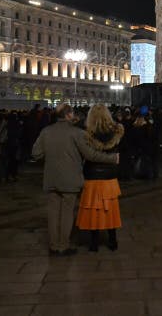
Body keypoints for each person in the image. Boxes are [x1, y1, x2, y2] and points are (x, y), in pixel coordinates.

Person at [32, 103, 119, 256]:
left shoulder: (46, 131)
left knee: (53, 213)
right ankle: (63, 245)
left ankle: (53, 246)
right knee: (67, 212)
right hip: (70, 180)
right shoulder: (76, 133)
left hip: (51, 178)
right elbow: (91, 155)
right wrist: (112, 158)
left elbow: (36, 153)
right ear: (68, 115)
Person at [76, 104, 125, 252]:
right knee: (110, 209)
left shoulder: (87, 134)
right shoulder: (116, 131)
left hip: (92, 174)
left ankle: (94, 243)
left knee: (93, 209)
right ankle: (112, 241)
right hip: (110, 176)